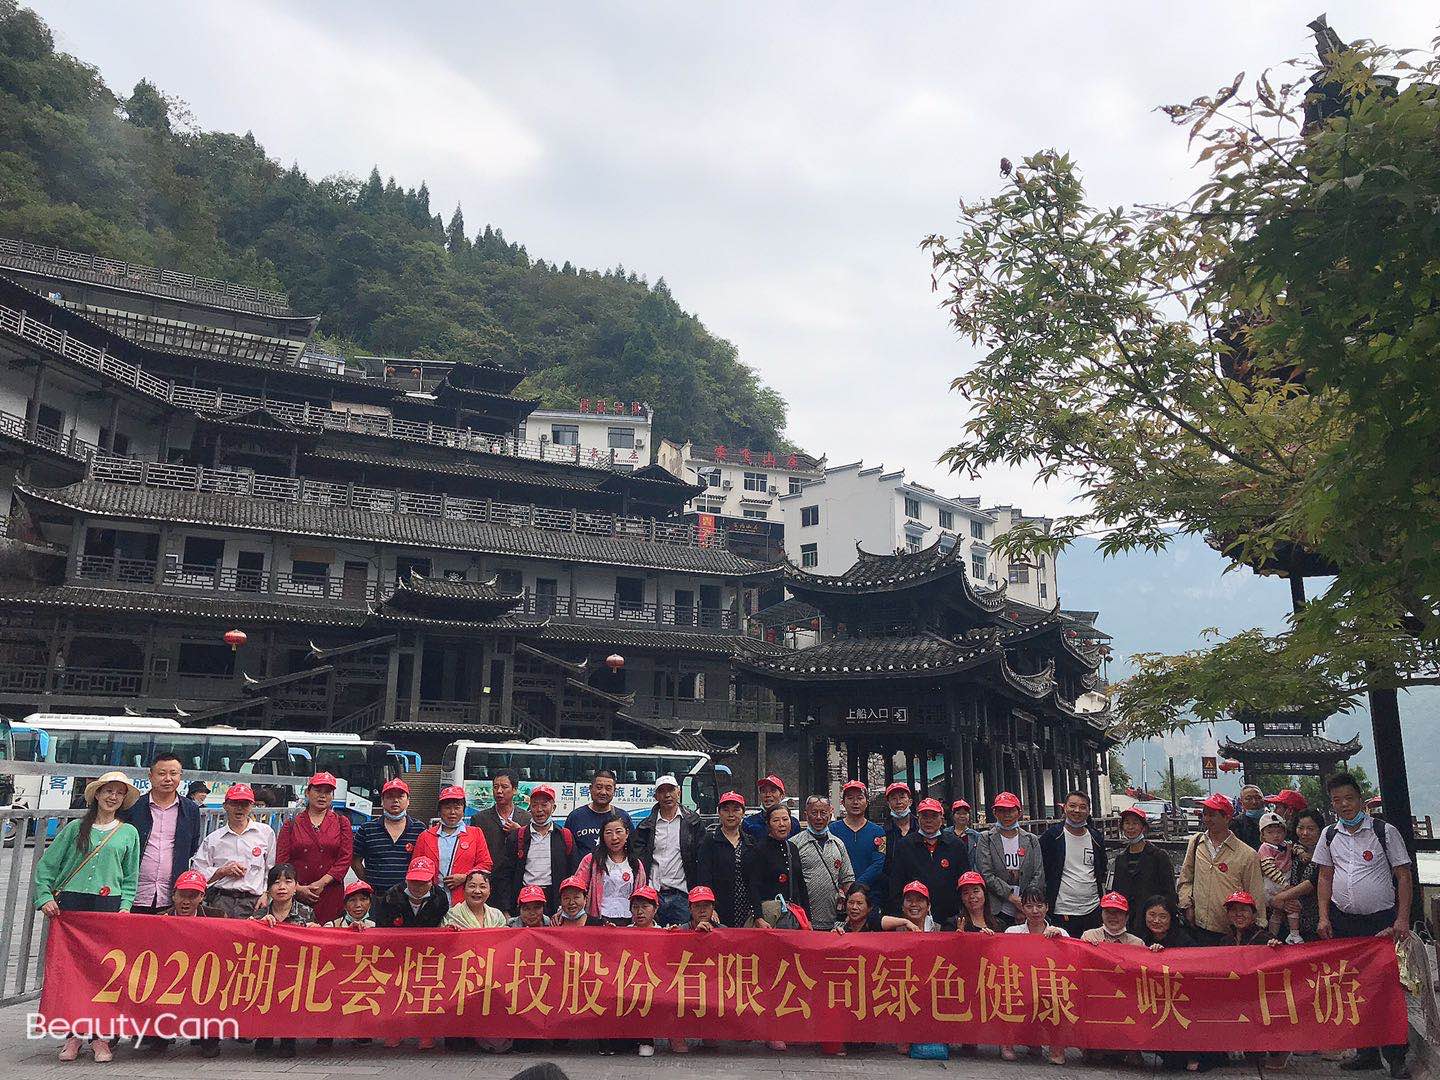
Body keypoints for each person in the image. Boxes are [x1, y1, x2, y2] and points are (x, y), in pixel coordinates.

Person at [33, 771, 141, 1065]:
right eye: (108, 791)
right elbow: (48, 865)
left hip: (108, 904)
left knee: (103, 971)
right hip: (72, 903)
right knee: (71, 970)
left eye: (119, 793)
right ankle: (73, 1035)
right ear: (97, 794)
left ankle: (99, 1037)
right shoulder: (75, 829)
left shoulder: (128, 833)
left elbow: (130, 876)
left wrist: (125, 906)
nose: (112, 797)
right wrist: (44, 896)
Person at [1315, 771, 1412, 1079]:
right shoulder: (1329, 834)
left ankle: (1396, 1057)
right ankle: (1366, 1052)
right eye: (1337, 800)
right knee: (1352, 987)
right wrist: (1323, 916)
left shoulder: (1384, 832)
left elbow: (1404, 876)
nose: (1344, 805)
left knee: (1386, 989)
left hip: (1381, 921)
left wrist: (1402, 918)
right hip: (1344, 922)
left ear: (1360, 799)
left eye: (1349, 798)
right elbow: (1325, 877)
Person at [1178, 790, 1267, 943]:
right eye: (1205, 814)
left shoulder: (1247, 854)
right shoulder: (1196, 843)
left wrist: (1259, 925)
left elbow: (1255, 893)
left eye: (1212, 815)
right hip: (1198, 928)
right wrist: (1187, 905)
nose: (1207, 819)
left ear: (1227, 817)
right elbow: (1185, 879)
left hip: (1232, 932)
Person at [124, 752, 202, 915]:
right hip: (133, 894)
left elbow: (191, 847)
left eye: (173, 773)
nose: (168, 779)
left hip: (171, 896)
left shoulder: (191, 810)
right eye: (161, 773)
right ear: (150, 776)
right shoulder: (133, 807)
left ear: (180, 776)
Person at [249, 864, 314, 1059]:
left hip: (296, 969)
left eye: (288, 882)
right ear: (269, 888)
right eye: (276, 882)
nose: (282, 887)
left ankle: (288, 1038)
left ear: (296, 887)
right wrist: (256, 925)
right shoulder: (260, 914)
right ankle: (265, 1034)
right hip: (266, 968)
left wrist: (314, 930)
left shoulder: (306, 912)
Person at [276, 771, 353, 924]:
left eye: (327, 792)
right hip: (297, 894)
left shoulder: (342, 822)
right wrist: (297, 888)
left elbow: (345, 858)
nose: (322, 796)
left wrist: (322, 882)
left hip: (330, 893)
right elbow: (281, 861)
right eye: (318, 791)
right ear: (307, 792)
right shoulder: (291, 824)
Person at [1002, 887, 1068, 1064]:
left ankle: (1056, 1047)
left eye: (1039, 905)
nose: (1035, 911)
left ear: (1047, 907)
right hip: (1020, 984)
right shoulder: (1012, 932)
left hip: (1048, 986)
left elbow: (1068, 964)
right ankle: (1007, 1043)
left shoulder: (1060, 933)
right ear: (1022, 908)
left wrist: (1059, 941)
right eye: (1029, 906)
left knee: (1060, 997)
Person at [1136, 896, 1201, 1072]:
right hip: (1151, 997)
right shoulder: (1138, 938)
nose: (1156, 920)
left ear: (1172, 918)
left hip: (1179, 997)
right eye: (1152, 915)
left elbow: (1196, 964)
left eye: (1163, 916)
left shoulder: (1184, 940)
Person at [190, 782, 274, 918]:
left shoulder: (265, 833)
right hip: (221, 900)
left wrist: (267, 894)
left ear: (251, 806)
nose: (239, 808)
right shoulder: (213, 839)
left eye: (245, 804)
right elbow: (198, 874)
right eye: (235, 803)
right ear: (225, 806)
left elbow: (271, 869)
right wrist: (222, 871)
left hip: (254, 901)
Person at [632, 774, 704, 926]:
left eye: (671, 790)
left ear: (679, 792)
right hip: (652, 895)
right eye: (662, 791)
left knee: (682, 939)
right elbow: (637, 860)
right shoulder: (645, 826)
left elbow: (702, 859)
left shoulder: (693, 822)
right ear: (656, 796)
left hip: (682, 896)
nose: (667, 795)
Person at [885, 797, 968, 926]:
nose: (929, 820)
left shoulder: (956, 845)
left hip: (949, 917)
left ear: (942, 818)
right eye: (924, 816)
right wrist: (899, 915)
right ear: (918, 818)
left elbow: (964, 881)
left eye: (934, 816)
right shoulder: (905, 845)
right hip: (914, 917)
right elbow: (896, 883)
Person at [496, 784, 576, 915]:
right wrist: (506, 909)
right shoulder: (517, 836)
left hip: (554, 901)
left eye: (544, 805)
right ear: (530, 808)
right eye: (535, 805)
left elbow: (572, 872)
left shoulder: (564, 836)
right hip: (525, 899)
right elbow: (505, 875)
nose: (539, 810)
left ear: (553, 807)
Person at [1040, 790, 1106, 936]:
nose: (1077, 810)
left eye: (1083, 807)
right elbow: (1042, 869)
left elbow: (1102, 868)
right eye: (1072, 806)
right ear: (1064, 807)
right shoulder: (1052, 836)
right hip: (1063, 909)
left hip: (1092, 908)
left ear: (1088, 811)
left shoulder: (1095, 837)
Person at [413, 784, 492, 906]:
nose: (452, 812)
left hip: (464, 901)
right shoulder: (425, 836)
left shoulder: (475, 833)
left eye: (457, 807)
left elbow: (485, 864)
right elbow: (415, 868)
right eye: (447, 808)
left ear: (463, 809)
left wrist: (465, 877)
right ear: (440, 810)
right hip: (431, 902)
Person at [974, 791, 1043, 926]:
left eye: (1011, 810)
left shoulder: (1031, 839)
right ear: (995, 813)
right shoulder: (986, 838)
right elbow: (986, 873)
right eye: (1001, 810)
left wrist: (1025, 903)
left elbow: (1038, 873)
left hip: (1027, 909)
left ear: (1019, 812)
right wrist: (1011, 897)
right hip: (997, 909)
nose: (1007, 815)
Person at [788, 795, 855, 930]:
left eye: (823, 813)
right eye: (814, 813)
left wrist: (851, 910)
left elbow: (848, 880)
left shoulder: (838, 844)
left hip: (834, 922)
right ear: (806, 815)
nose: (818, 817)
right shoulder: (794, 844)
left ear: (830, 815)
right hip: (803, 921)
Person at [351, 777, 426, 896]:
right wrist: (368, 883)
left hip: (409, 896)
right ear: (382, 801)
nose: (395, 800)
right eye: (390, 797)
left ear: (408, 801)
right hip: (376, 897)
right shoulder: (367, 829)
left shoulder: (420, 829)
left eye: (400, 796)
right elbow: (355, 861)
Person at [1109, 805, 1178, 933]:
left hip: (1152, 920)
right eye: (1127, 823)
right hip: (1127, 919)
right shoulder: (1121, 859)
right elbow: (1117, 891)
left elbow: (1169, 891)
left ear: (1143, 827)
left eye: (1135, 823)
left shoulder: (1158, 856)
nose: (1130, 827)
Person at [575, 814, 646, 925]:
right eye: (608, 833)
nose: (614, 837)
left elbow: (642, 895)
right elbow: (576, 887)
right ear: (602, 836)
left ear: (627, 833)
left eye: (618, 832)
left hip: (629, 920)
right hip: (598, 919)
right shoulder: (591, 860)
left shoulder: (636, 864)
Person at [697, 790, 754, 926]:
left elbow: (755, 879)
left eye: (736, 810)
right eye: (726, 810)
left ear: (743, 813)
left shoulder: (750, 842)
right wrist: (710, 907)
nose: (731, 814)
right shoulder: (710, 840)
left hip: (746, 909)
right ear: (719, 813)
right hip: (719, 908)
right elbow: (704, 876)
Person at [1271, 807, 1325, 942]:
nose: (1304, 833)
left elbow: (1312, 882)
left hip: (1316, 923)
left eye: (1311, 829)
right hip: (1288, 922)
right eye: (1300, 828)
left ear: (1320, 830)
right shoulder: (1289, 850)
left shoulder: (1325, 851)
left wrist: (1281, 898)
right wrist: (1282, 902)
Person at [745, 803, 801, 927]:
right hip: (768, 916)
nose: (782, 824)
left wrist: (807, 918)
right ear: (768, 824)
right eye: (776, 820)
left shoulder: (792, 848)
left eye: (785, 819)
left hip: (791, 914)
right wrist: (758, 917)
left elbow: (800, 885)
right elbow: (753, 886)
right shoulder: (759, 850)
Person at [471, 768, 529, 882]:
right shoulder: (479, 819)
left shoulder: (527, 818)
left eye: (504, 787)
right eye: (495, 787)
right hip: (489, 880)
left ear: (515, 790)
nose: (499, 791)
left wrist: (520, 832)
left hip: (518, 880)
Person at [563, 768, 633, 859]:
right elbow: (566, 850)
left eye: (608, 788)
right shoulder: (575, 817)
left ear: (614, 791)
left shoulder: (623, 817)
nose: (603, 792)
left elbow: (632, 848)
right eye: (599, 787)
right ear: (590, 789)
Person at [1257, 810, 1303, 943]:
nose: (1275, 835)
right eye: (1270, 832)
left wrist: (1301, 852)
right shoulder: (1265, 848)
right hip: (1274, 882)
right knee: (1289, 904)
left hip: (1285, 879)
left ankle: (1291, 934)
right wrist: (1285, 884)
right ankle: (1276, 936)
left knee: (1284, 909)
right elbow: (1269, 869)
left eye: (1279, 832)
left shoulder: (1286, 845)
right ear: (1263, 835)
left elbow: (1295, 848)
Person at [831, 780, 886, 891]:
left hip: (870, 893)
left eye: (860, 798)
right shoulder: (832, 830)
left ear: (867, 802)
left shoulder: (879, 832)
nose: (855, 802)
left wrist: (857, 886)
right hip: (839, 892)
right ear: (843, 802)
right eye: (850, 798)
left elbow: (879, 863)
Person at [373, 855, 449, 928]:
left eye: (423, 882)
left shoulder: (440, 897)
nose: (418, 887)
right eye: (414, 881)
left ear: (431, 882)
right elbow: (381, 926)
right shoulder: (391, 896)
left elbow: (441, 924)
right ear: (406, 880)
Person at [442, 868, 507, 928]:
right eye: (472, 886)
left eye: (482, 887)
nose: (477, 891)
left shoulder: (497, 916)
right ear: (464, 890)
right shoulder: (451, 915)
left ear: (489, 891)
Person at [741, 774, 797, 839]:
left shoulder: (793, 823)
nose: (768, 795)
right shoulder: (749, 822)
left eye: (773, 791)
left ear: (782, 795)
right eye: (763, 791)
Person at [1080, 892, 1144, 946]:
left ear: (1127, 917)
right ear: (1101, 914)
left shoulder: (1137, 944)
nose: (1113, 916)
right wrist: (1088, 947)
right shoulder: (1089, 936)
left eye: (1118, 912)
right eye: (1108, 912)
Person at [833, 882, 900, 933]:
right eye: (851, 902)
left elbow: (881, 921)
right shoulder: (839, 927)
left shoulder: (875, 926)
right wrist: (835, 936)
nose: (854, 907)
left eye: (859, 903)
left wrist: (905, 922)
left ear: (869, 907)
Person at [1231, 785, 1266, 849]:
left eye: (1258, 798)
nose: (1254, 802)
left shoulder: (1272, 819)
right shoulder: (1236, 823)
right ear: (1241, 802)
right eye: (1248, 799)